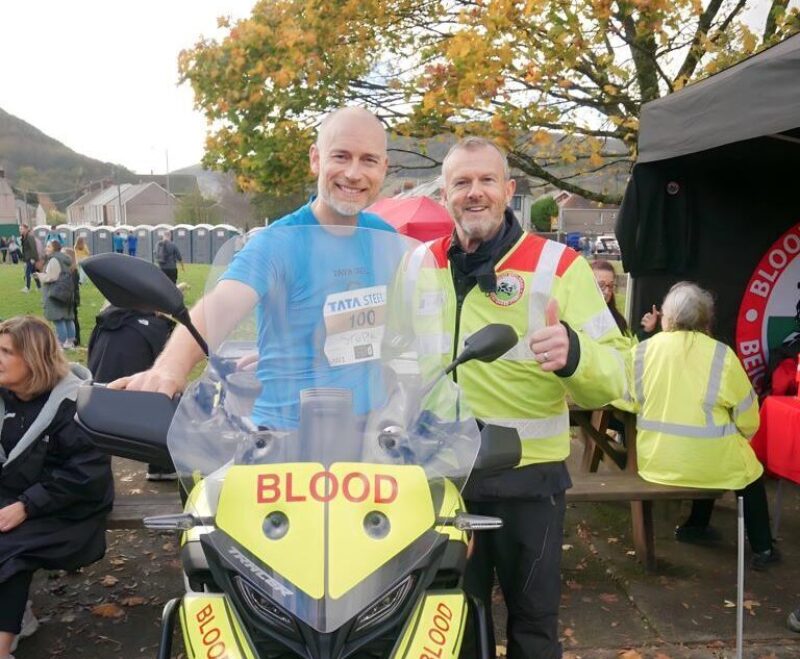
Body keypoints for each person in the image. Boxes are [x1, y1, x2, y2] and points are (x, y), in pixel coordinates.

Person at [427, 137, 627, 659]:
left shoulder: (559, 266)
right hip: (443, 481)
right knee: (448, 628)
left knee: (534, 628)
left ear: (509, 191)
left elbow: (617, 375)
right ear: (445, 195)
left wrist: (576, 353)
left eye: (486, 181)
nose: (475, 193)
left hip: (528, 482)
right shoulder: (416, 266)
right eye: (462, 183)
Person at [109, 107, 394, 421]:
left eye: (368, 159)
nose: (353, 173)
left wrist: (288, 352)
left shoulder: (384, 237)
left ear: (383, 167)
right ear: (316, 159)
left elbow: (375, 325)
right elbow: (221, 305)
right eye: (340, 156)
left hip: (369, 433)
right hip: (287, 439)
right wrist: (169, 367)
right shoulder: (279, 242)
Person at [630, 282, 778, 569]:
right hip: (711, 462)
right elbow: (749, 416)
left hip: (656, 462)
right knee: (746, 469)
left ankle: (695, 526)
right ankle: (763, 549)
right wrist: (741, 435)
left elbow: (626, 399)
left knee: (717, 453)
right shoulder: (722, 355)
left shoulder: (643, 351)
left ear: (666, 316)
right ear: (704, 317)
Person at [0, 316, 114, 658]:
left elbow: (87, 476)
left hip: (70, 509)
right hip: (16, 498)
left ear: (34, 358)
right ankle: (19, 615)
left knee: (8, 547)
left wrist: (27, 505)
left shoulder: (76, 405)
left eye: (5, 352)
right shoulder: (5, 398)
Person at [87, 298, 177, 481]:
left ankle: (94, 470)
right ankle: (162, 467)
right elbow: (165, 371)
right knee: (170, 394)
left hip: (97, 395)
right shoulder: (156, 327)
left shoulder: (103, 322)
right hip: (134, 396)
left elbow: (91, 356)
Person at [33, 241, 76, 349]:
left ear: (54, 248)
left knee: (58, 318)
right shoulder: (65, 259)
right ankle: (70, 341)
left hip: (55, 292)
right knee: (67, 317)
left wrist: (40, 276)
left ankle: (60, 343)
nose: (46, 248)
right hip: (67, 291)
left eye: (48, 246)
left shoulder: (54, 259)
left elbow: (52, 277)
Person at [62, 248, 82, 347]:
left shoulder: (73, 271)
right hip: (69, 298)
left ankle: (75, 339)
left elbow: (72, 287)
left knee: (72, 320)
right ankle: (71, 339)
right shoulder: (68, 269)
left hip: (71, 299)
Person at [18, 225, 40, 293]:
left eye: (21, 229)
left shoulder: (30, 237)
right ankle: (39, 286)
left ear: (26, 229)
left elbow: (33, 248)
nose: (20, 230)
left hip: (31, 258)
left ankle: (27, 288)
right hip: (27, 258)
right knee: (33, 273)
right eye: (20, 229)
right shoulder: (23, 237)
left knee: (27, 273)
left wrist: (33, 258)